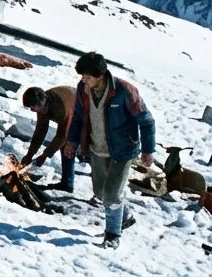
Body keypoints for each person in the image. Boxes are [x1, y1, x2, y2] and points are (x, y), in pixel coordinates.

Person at [64, 52, 156, 249]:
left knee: (112, 195)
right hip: (97, 148)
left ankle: (113, 236)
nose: (84, 80)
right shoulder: (83, 89)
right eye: (82, 76)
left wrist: (148, 150)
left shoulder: (125, 91)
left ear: (101, 75)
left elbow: (147, 121)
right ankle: (125, 217)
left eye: (88, 76)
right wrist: (71, 141)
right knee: (100, 193)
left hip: (123, 149)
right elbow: (78, 117)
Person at [20, 85, 77, 193]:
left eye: (33, 107)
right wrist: (29, 154)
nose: (33, 110)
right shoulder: (41, 107)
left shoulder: (61, 109)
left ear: (40, 103)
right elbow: (40, 132)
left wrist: (44, 155)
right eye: (31, 108)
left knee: (69, 145)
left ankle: (69, 184)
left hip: (81, 109)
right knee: (65, 145)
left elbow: (62, 135)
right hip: (69, 100)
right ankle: (67, 183)